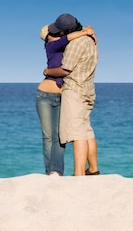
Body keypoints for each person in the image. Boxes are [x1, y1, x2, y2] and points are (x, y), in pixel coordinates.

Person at [36, 22, 96, 176]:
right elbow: (70, 37)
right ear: (47, 38)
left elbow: (73, 38)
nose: (53, 36)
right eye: (50, 35)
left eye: (55, 34)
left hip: (62, 95)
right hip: (45, 96)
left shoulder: (70, 46)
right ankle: (51, 172)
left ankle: (57, 171)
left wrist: (90, 32)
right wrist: (85, 32)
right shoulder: (52, 46)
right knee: (48, 136)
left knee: (59, 137)